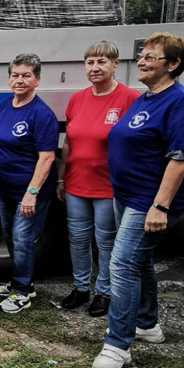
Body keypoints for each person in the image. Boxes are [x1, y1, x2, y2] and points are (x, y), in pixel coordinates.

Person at [92, 33, 184, 368]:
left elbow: (180, 158)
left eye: (151, 57)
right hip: (126, 195)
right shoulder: (146, 98)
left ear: (173, 64)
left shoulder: (181, 102)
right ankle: (147, 324)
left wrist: (160, 207)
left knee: (122, 264)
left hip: (148, 200)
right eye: (142, 55)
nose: (141, 61)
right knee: (139, 262)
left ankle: (117, 346)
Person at [57, 41, 140, 317]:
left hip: (108, 185)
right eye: (90, 62)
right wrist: (61, 178)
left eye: (102, 61)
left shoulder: (130, 99)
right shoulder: (77, 99)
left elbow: (136, 145)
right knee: (78, 239)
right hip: (76, 183)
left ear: (116, 64)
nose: (95, 67)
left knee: (105, 242)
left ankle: (104, 292)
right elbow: (68, 142)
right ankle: (81, 288)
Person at [0, 52, 59, 314]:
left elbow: (47, 157)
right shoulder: (3, 106)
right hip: (5, 188)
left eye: (26, 76)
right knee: (10, 237)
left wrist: (32, 193)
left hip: (30, 191)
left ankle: (22, 293)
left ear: (37, 80)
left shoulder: (42, 114)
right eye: (15, 75)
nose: (19, 80)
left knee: (22, 238)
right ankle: (20, 282)